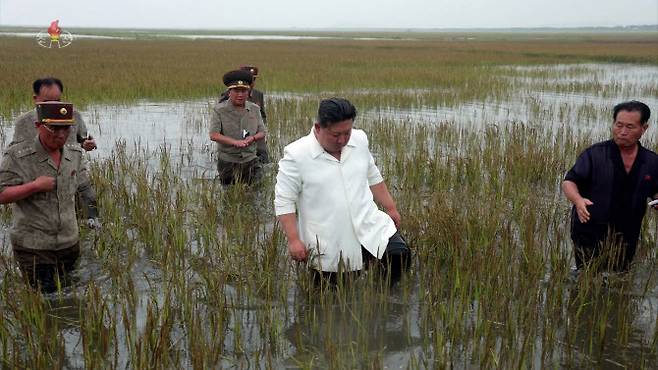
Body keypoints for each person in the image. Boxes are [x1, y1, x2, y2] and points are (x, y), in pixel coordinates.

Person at [274, 98, 410, 284]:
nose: (343, 140)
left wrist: (390, 207)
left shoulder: (359, 139)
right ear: (318, 127)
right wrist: (293, 240)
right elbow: (284, 201)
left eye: (347, 132)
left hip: (368, 223)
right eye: (336, 135)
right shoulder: (296, 155)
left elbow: (373, 175)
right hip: (329, 237)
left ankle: (380, 301)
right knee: (332, 294)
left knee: (399, 256)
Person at [0, 102, 97, 293]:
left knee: (69, 296)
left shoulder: (75, 154)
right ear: (38, 126)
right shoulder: (18, 156)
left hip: (69, 244)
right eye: (53, 128)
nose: (60, 135)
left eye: (65, 128)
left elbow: (81, 188)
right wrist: (34, 186)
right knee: (44, 303)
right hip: (34, 248)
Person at [562, 100, 658, 272]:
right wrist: (578, 200)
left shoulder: (651, 161)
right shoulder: (595, 154)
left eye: (630, 127)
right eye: (618, 125)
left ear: (644, 128)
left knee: (619, 278)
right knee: (586, 278)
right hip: (589, 229)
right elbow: (569, 181)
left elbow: (655, 192)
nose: (622, 132)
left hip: (627, 233)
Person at [209, 70, 266, 185]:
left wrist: (253, 138)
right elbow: (214, 135)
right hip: (228, 161)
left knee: (254, 194)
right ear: (229, 92)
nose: (240, 95)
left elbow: (262, 132)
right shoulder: (219, 110)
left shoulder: (254, 109)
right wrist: (235, 142)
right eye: (236, 91)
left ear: (248, 92)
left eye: (243, 91)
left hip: (251, 160)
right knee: (228, 194)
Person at [11, 77, 97, 152]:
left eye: (57, 101)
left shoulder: (73, 115)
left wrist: (88, 144)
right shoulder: (23, 122)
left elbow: (84, 140)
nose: (52, 106)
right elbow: (15, 153)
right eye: (47, 103)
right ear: (35, 99)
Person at [219, 65, 270, 163]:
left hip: (256, 136)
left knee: (263, 159)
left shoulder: (258, 94)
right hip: (237, 139)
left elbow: (262, 115)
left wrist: (260, 130)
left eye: (254, 79)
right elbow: (223, 116)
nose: (252, 83)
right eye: (251, 79)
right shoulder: (228, 95)